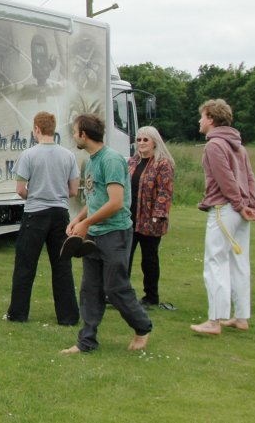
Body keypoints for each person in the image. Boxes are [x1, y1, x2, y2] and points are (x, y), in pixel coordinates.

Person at [61, 113, 152, 354]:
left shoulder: (110, 160)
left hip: (115, 233)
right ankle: (86, 341)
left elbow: (115, 203)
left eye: (75, 131)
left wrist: (86, 223)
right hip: (95, 233)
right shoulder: (92, 160)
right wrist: (79, 219)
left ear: (84, 134)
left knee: (115, 287)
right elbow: (96, 198)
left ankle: (142, 328)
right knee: (90, 289)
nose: (73, 136)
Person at [191, 99, 255, 335]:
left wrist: (241, 206)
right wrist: (251, 205)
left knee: (215, 261)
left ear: (211, 118)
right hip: (239, 209)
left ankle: (214, 320)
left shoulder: (214, 145)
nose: (199, 121)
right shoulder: (238, 146)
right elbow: (250, 178)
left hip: (224, 208)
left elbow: (226, 180)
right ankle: (241, 317)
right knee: (239, 263)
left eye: (202, 116)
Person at [5, 111, 80, 325]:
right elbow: (73, 190)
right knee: (62, 265)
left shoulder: (29, 155)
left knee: (25, 264)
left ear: (37, 129)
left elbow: (20, 189)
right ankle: (68, 316)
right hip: (60, 214)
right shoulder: (68, 155)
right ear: (53, 129)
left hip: (35, 213)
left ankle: (18, 313)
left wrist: (36, 194)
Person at [126, 126, 175, 310]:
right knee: (125, 256)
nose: (141, 143)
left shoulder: (163, 164)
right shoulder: (132, 162)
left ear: (155, 141)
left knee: (149, 259)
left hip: (150, 219)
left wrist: (159, 214)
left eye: (145, 140)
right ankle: (122, 293)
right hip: (130, 217)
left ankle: (151, 296)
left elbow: (165, 191)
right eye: (139, 140)